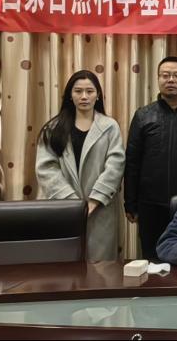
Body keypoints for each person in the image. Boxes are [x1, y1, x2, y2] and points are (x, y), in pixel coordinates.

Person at [124, 56, 177, 260]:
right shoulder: (143, 115)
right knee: (151, 259)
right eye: (165, 75)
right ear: (158, 79)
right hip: (150, 205)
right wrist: (130, 202)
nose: (171, 79)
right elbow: (132, 161)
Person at [35, 70, 125, 262]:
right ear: (70, 94)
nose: (84, 96)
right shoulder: (53, 128)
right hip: (62, 207)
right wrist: (72, 203)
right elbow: (46, 168)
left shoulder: (110, 126)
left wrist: (94, 200)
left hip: (99, 208)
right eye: (78, 91)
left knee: (100, 267)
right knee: (63, 265)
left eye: (89, 91)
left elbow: (116, 164)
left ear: (98, 95)